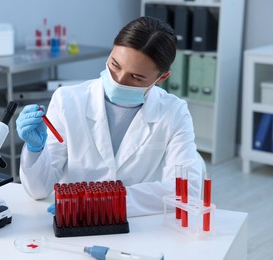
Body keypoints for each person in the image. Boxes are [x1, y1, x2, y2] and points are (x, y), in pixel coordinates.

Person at [16, 16, 204, 217]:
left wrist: (101, 202)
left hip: (130, 224)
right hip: (69, 219)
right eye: (115, 65)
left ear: (162, 78)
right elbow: (38, 190)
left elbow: (186, 192)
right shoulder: (67, 100)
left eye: (136, 77)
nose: (119, 81)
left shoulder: (173, 112)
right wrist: (35, 151)